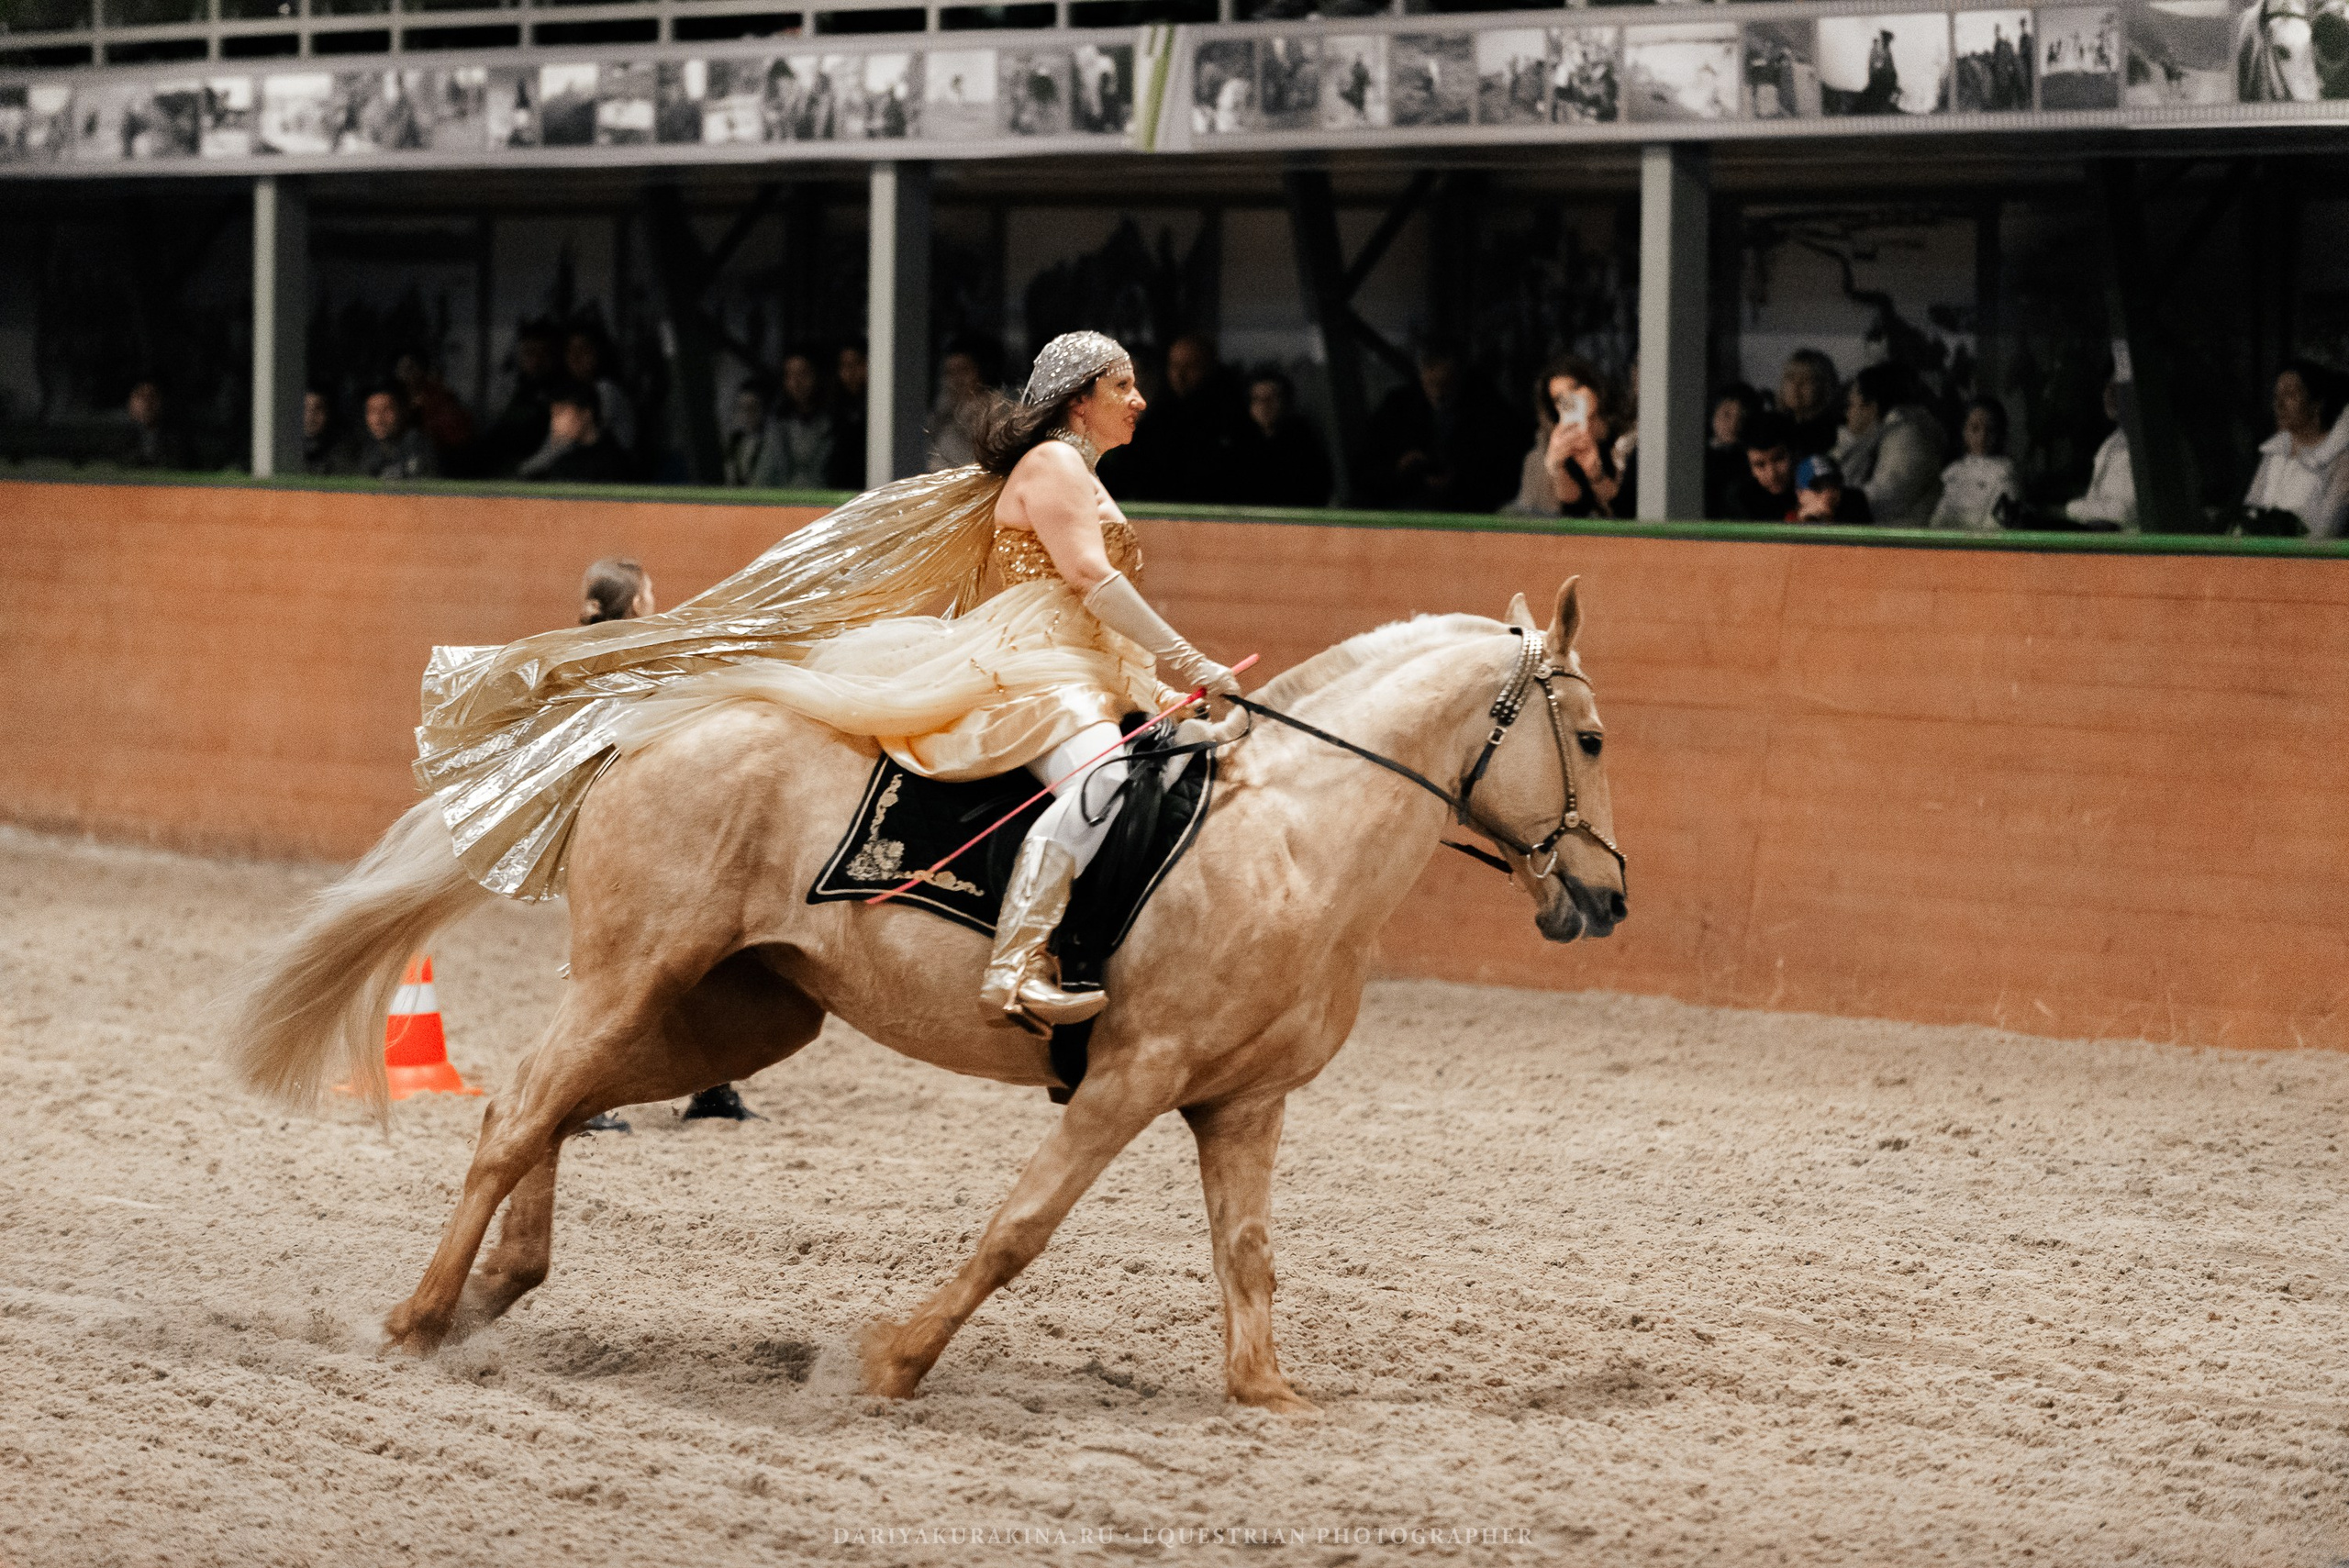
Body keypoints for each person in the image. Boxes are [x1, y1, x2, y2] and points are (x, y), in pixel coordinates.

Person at [413, 330, 1241, 1037]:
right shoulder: (1055, 465)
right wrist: (1194, 661)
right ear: (1078, 398)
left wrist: (1159, 686)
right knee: (1101, 776)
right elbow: (1091, 579)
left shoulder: (1074, 471)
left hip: (1071, 659)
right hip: (1036, 665)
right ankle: (1017, 961)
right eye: (1124, 385)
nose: (1140, 400)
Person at [1366, 344, 1520, 513]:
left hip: (1469, 511)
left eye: (1446, 384)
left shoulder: (1490, 412)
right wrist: (1399, 468)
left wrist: (1458, 479)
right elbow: (1368, 469)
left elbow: (1503, 475)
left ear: (1460, 377)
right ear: (1421, 375)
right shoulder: (1398, 409)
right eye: (1431, 384)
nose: (1439, 393)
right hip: (1406, 507)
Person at [1115, 333, 1245, 503]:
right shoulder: (1158, 415)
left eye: (1191, 367)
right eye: (1174, 366)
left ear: (1209, 367)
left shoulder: (1228, 417)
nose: (1180, 375)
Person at [2242, 359, 2349, 539]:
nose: (2279, 405)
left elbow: (2328, 530)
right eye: (2277, 397)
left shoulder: (2339, 458)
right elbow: (2252, 510)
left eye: (2290, 395)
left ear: (2316, 404)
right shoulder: (2273, 453)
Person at [1834, 362, 1947, 527]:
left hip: (1899, 543)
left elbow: (1889, 493)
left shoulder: (1907, 437)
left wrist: (1835, 499)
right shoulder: (1874, 439)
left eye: (1850, 405)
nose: (1847, 413)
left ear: (1872, 407)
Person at [1229, 367, 1332, 507]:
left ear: (1285, 402)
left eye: (1272, 397)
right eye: (1257, 399)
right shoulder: (1238, 444)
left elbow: (1318, 485)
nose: (1264, 405)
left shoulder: (1301, 440)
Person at [1930, 396, 2021, 531]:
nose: (1982, 437)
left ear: (2000, 434)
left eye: (1990, 430)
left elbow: (2000, 528)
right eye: (1974, 429)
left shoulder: (2005, 472)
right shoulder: (1952, 472)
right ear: (1964, 431)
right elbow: (1936, 521)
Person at [484, 320, 562, 476]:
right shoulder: (508, 390)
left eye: (544, 353)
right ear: (519, 356)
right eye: (530, 353)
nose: (537, 361)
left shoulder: (563, 394)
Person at [518, 382, 629, 483]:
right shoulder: (563, 462)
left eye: (561, 413)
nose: (555, 423)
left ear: (586, 414)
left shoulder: (617, 463)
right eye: (553, 416)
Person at [2065, 381, 2137, 530]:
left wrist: (2070, 509)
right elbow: (2093, 500)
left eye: (2116, 386)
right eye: (2106, 386)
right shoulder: (2112, 442)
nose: (2108, 393)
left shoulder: (2145, 443)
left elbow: (2120, 513)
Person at [393, 352, 475, 469]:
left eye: (410, 369)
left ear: (421, 370)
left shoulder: (438, 395)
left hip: (447, 456)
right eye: (400, 369)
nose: (404, 374)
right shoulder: (398, 396)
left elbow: (453, 435)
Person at [926, 338, 996, 471]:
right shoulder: (943, 410)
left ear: (980, 372)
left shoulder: (992, 409)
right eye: (950, 373)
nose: (956, 380)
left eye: (963, 371)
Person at [773, 350, 836, 487]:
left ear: (818, 376)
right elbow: (765, 475)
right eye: (790, 375)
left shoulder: (835, 425)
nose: (796, 382)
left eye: (803, 374)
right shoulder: (777, 426)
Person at [1728, 411, 1799, 520]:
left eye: (1778, 459)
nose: (1772, 474)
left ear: (1794, 454)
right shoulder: (1739, 498)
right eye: (1760, 465)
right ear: (1749, 466)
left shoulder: (1814, 486)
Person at [355, 386, 439, 480]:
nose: (378, 419)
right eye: (372, 411)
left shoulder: (417, 443)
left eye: (386, 410)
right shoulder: (358, 447)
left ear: (402, 411)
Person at [1707, 383, 1763, 517]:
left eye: (1742, 417)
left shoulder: (1754, 458)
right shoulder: (1697, 456)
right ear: (1712, 414)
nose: (1734, 424)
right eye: (1726, 414)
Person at [1776, 350, 1841, 460]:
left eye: (1806, 379)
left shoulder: (1832, 432)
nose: (1796, 386)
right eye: (1791, 378)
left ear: (1824, 386)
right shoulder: (1777, 425)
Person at [118, 377, 191, 470]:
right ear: (130, 402)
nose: (147, 404)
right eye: (141, 397)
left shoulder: (178, 437)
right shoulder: (116, 437)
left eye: (152, 396)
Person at [826, 340, 870, 491]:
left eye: (856, 364)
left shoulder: (879, 410)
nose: (850, 372)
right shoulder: (832, 409)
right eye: (844, 365)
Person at [723, 380, 783, 488]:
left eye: (752, 408)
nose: (747, 415)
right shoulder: (735, 442)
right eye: (742, 408)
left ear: (764, 410)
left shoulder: (775, 444)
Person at [1792, 453, 1875, 524]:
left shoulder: (1854, 515)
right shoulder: (1786, 519)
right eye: (1818, 488)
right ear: (1800, 493)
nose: (1827, 494)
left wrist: (1827, 519)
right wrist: (1804, 521)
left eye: (1833, 486)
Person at [302, 388, 353, 476]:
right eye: (305, 408)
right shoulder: (283, 450)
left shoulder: (343, 452)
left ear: (328, 413)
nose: (310, 416)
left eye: (318, 408)